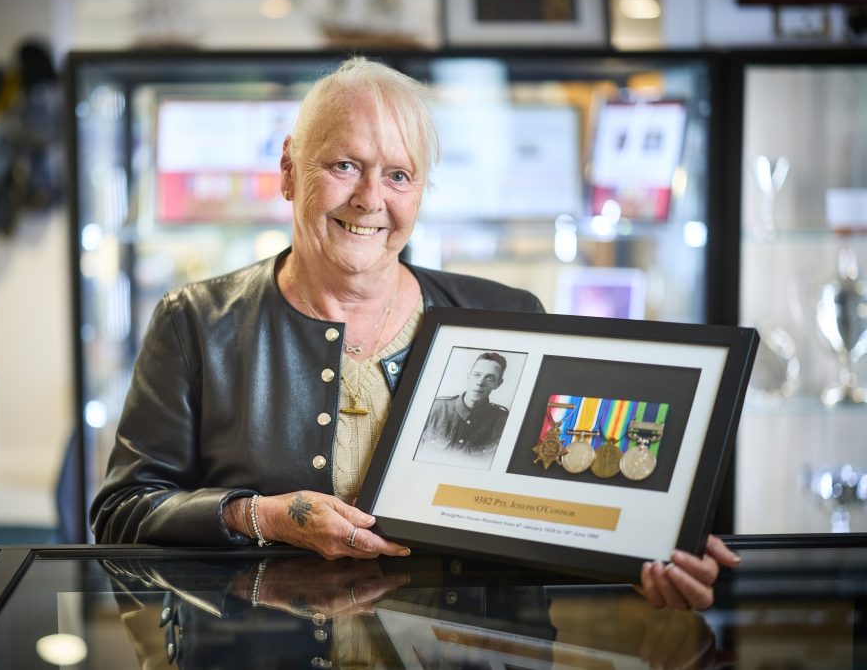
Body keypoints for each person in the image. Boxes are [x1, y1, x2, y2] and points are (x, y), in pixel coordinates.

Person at [90, 56, 738, 611]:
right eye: (345, 164)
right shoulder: (195, 323)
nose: (371, 199)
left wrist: (649, 548)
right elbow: (121, 514)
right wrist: (260, 516)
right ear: (289, 169)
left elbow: (554, 501)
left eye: (399, 175)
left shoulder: (511, 316)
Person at [415, 351, 510, 466]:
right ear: (468, 376)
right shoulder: (434, 407)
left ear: (498, 383)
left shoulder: (503, 421)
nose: (480, 382)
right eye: (477, 374)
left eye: (490, 378)